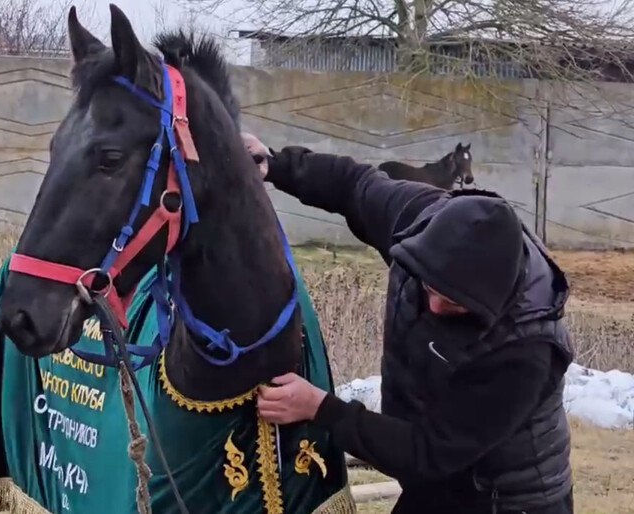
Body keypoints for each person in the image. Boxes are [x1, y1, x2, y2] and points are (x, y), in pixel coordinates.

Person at [242, 133, 575, 514]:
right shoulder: (425, 222)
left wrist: (321, 408)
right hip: (432, 478)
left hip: (507, 499)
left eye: (452, 303)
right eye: (429, 286)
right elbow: (357, 185)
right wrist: (276, 165)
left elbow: (427, 451)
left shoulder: (525, 350)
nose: (432, 306)